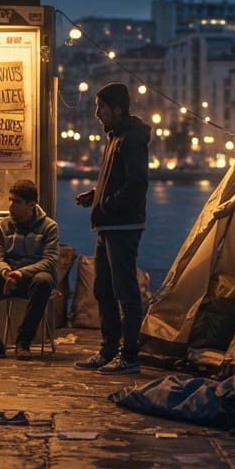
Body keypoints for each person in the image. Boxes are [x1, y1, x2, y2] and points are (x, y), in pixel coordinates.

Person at [74, 82, 150, 375]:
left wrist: (106, 207)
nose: (97, 113)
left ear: (117, 109)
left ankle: (129, 356)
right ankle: (108, 351)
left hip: (123, 226)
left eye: (101, 107)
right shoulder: (116, 137)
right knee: (103, 288)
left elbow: (136, 184)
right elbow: (117, 180)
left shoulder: (131, 139)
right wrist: (95, 196)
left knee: (125, 291)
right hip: (108, 225)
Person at [0, 179, 60, 360]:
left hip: (32, 279)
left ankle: (24, 341)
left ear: (31, 204)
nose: (11, 206)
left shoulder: (49, 227)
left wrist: (21, 273)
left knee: (44, 281)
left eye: (17, 202)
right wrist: (6, 273)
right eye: (10, 200)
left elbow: (50, 260)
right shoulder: (3, 225)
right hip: (8, 279)